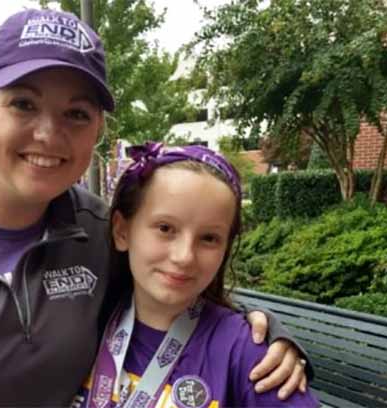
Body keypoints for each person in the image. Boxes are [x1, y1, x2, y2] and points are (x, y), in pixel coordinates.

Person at [0, 8, 307, 406]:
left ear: (98, 129)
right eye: (23, 103)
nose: (49, 133)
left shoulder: (97, 232)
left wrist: (266, 336)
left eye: (76, 114)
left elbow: (175, 289)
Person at [75, 143, 318, 408]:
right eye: (165, 228)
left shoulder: (247, 352)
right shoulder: (86, 320)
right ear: (122, 231)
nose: (184, 256)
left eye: (209, 238)